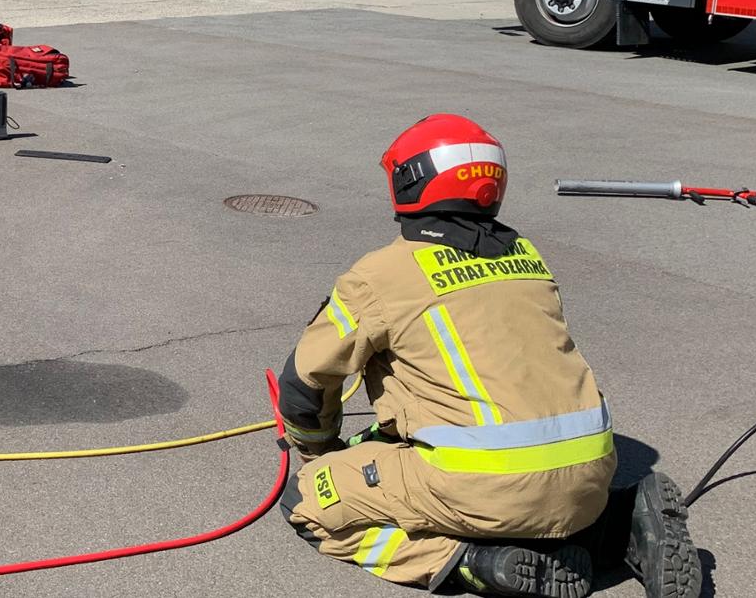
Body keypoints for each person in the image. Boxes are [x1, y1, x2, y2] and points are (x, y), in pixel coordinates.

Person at [277, 114, 698, 598]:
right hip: (592, 477)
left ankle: (470, 562)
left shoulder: (381, 275)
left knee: (309, 504)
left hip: (478, 485)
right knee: (526, 497)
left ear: (409, 179)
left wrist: (317, 453)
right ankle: (622, 525)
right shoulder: (525, 255)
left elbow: (305, 383)